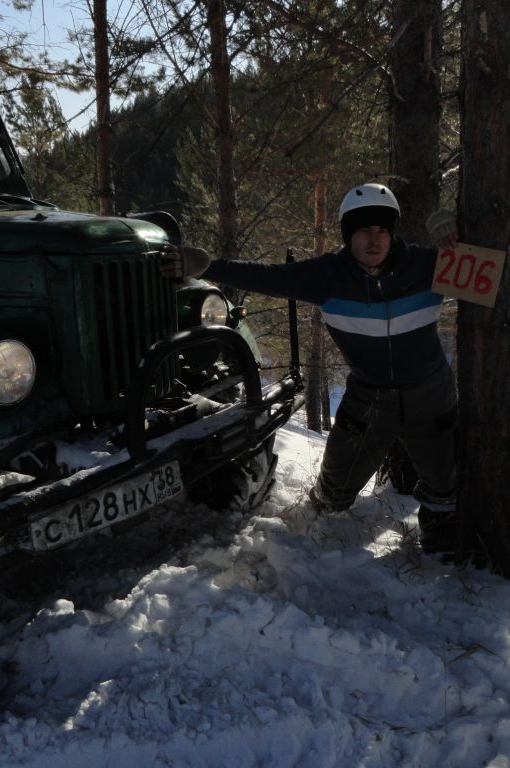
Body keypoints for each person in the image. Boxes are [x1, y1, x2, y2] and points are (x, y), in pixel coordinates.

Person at [160, 183, 460, 556]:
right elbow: (267, 276)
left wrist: (458, 235)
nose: (374, 240)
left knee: (446, 487)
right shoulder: (328, 276)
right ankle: (320, 543)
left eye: (382, 230)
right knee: (333, 492)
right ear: (347, 235)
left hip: (429, 395)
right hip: (369, 397)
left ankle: (439, 544)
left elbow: (501, 270)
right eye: (363, 231)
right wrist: (209, 268)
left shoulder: (428, 266)